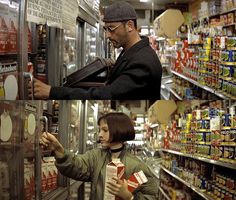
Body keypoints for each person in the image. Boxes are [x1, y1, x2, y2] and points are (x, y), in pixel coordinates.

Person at [29, 1, 162, 99]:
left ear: (129, 26)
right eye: (105, 29)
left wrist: (52, 92)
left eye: (111, 28)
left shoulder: (143, 62)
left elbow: (107, 95)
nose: (108, 35)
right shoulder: (133, 51)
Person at [40, 112, 159, 199]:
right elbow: (77, 166)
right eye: (99, 130)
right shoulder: (96, 156)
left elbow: (152, 196)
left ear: (119, 130)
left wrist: (129, 197)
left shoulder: (137, 166)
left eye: (105, 130)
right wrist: (59, 150)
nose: (100, 135)